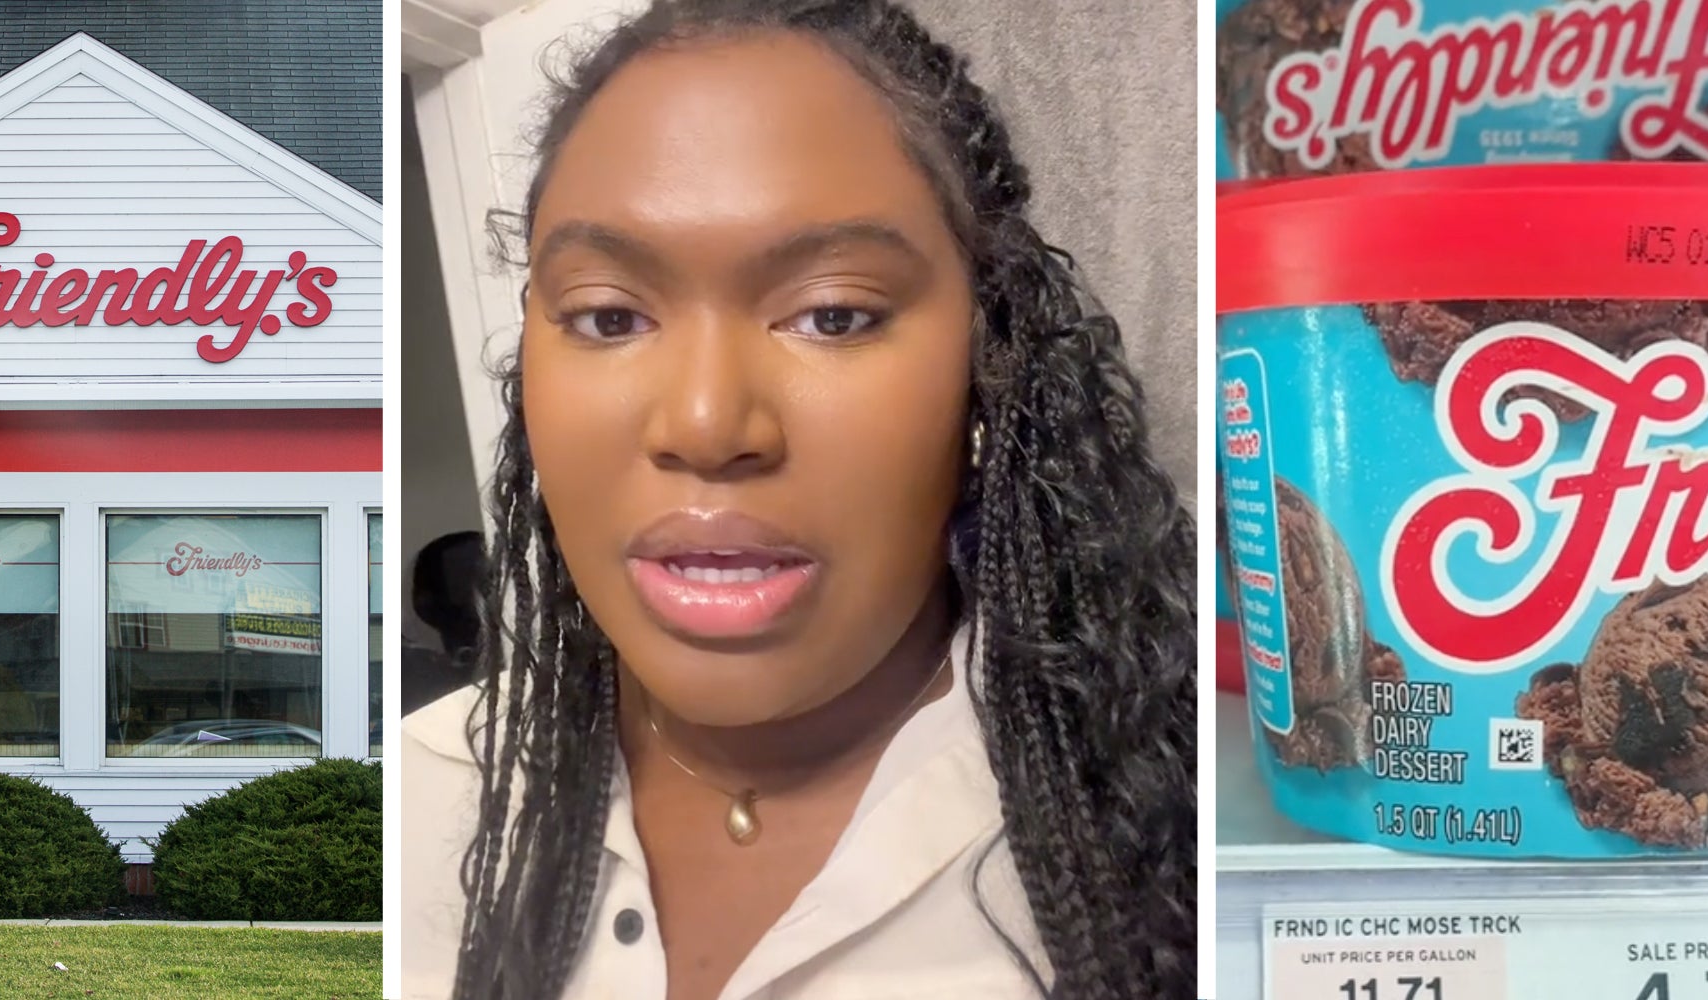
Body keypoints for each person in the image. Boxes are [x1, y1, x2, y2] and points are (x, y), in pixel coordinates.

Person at [401, 1, 1196, 997]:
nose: (702, 421)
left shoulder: (1171, 823)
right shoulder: (415, 804)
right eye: (608, 316)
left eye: (831, 313)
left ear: (989, 364)